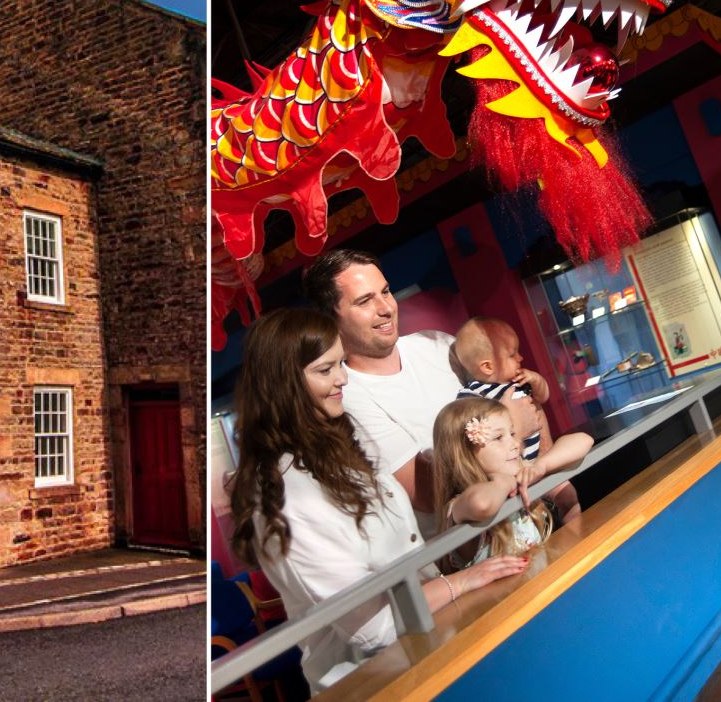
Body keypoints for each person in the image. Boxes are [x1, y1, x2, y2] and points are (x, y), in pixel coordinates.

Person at [229, 308, 528, 693]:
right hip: (370, 681)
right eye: (325, 370)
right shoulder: (284, 492)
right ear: (283, 384)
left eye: (340, 364)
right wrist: (466, 580)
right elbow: (372, 627)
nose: (342, 379)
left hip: (424, 650)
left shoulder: (340, 449)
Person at [303, 249, 551, 532]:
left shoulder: (437, 344)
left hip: (533, 510)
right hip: (476, 549)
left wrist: (554, 488)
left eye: (385, 292)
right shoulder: (348, 399)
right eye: (364, 301)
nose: (385, 307)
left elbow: (523, 399)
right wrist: (512, 426)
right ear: (332, 319)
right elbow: (428, 495)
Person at [431, 396, 592, 569]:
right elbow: (482, 503)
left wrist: (541, 466)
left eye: (512, 433)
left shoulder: (521, 475)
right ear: (465, 454)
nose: (515, 444)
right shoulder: (459, 506)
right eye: (498, 437)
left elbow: (584, 440)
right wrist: (504, 481)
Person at [451, 316, 583, 522]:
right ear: (487, 366)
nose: (520, 358)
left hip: (539, 463)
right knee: (532, 516)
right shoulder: (472, 396)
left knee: (569, 496)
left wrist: (537, 381)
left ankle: (577, 537)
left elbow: (543, 397)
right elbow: (478, 437)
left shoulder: (519, 382)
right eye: (512, 354)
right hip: (511, 472)